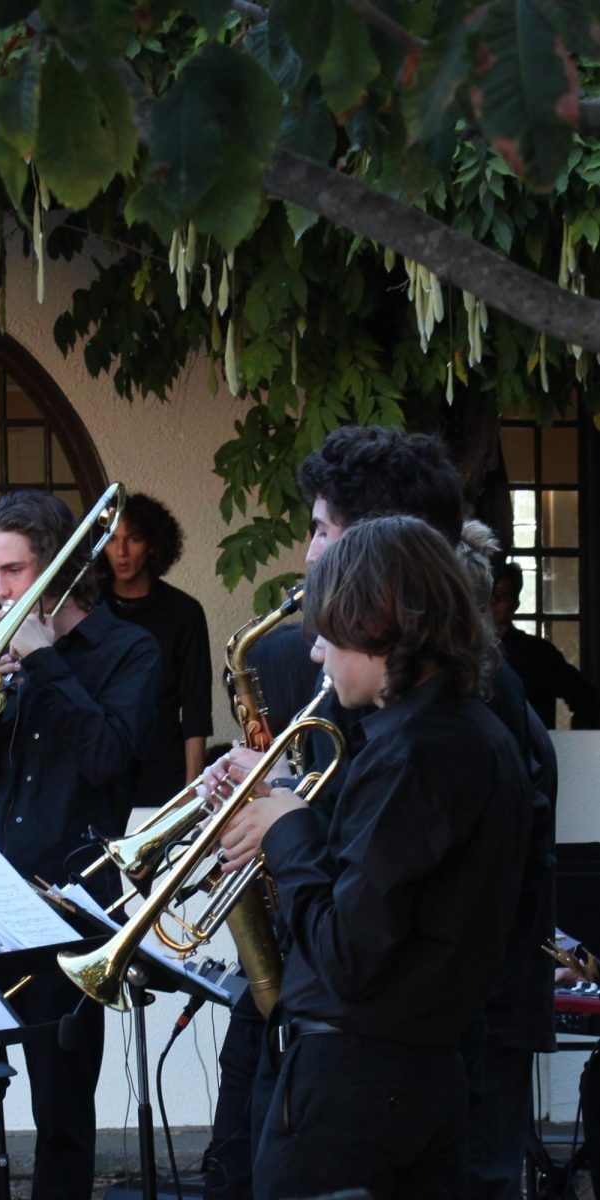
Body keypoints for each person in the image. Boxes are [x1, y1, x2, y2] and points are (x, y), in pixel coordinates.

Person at [203, 425, 556, 1200]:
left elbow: (349, 951)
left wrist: (288, 825)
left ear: (381, 612)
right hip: (394, 1063)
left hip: (368, 1075)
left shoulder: (425, 745)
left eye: (328, 633)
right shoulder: (445, 728)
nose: (316, 656)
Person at [0, 489, 161, 1200]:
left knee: (61, 1109)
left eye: (13, 571)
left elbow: (106, 763)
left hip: (69, 901)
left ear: (58, 570)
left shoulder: (130, 651)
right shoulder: (2, 656)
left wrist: (49, 665)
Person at [100, 492, 213, 803]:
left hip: (163, 769)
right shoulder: (88, 608)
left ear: (152, 544)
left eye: (133, 538)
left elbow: (195, 707)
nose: (121, 551)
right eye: (111, 539)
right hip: (98, 764)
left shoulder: (184, 611)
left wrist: (192, 791)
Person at [491, 560, 600, 729]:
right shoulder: (463, 650)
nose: (493, 601)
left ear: (515, 604)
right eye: (486, 594)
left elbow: (586, 698)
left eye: (502, 594)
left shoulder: (539, 654)